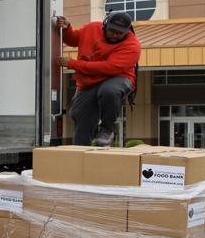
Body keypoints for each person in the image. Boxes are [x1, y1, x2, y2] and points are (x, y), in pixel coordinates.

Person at [54, 11, 141, 147]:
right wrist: (66, 28)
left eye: (120, 33)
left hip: (118, 77)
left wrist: (72, 63)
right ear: (104, 25)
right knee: (81, 116)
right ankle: (80, 154)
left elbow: (108, 68)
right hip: (88, 82)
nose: (115, 35)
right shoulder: (91, 28)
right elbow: (73, 39)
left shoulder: (132, 46)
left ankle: (107, 130)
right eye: (112, 30)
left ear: (127, 31)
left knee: (109, 91)